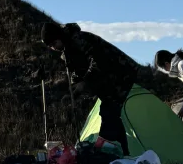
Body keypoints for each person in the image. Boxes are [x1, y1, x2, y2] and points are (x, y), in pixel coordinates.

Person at [41, 19, 133, 152]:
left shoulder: (79, 40)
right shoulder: (68, 51)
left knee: (109, 112)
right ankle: (123, 153)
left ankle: (107, 152)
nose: (54, 47)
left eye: (54, 43)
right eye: (50, 46)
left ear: (59, 36)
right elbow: (77, 73)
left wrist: (86, 82)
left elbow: (99, 61)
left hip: (120, 74)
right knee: (110, 113)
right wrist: (73, 92)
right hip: (107, 81)